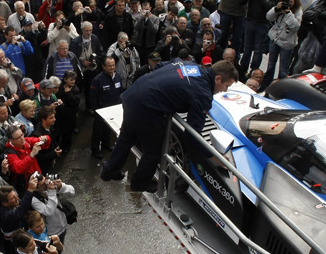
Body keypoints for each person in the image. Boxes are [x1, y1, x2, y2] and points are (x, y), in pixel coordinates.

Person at [100, 61, 239, 193]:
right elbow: (193, 135)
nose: (224, 90)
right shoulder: (203, 93)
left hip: (134, 94)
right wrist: (214, 156)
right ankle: (139, 183)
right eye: (227, 86)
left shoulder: (190, 65)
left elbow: (160, 65)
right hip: (146, 108)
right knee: (153, 151)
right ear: (218, 79)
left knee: (126, 137)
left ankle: (108, 171)